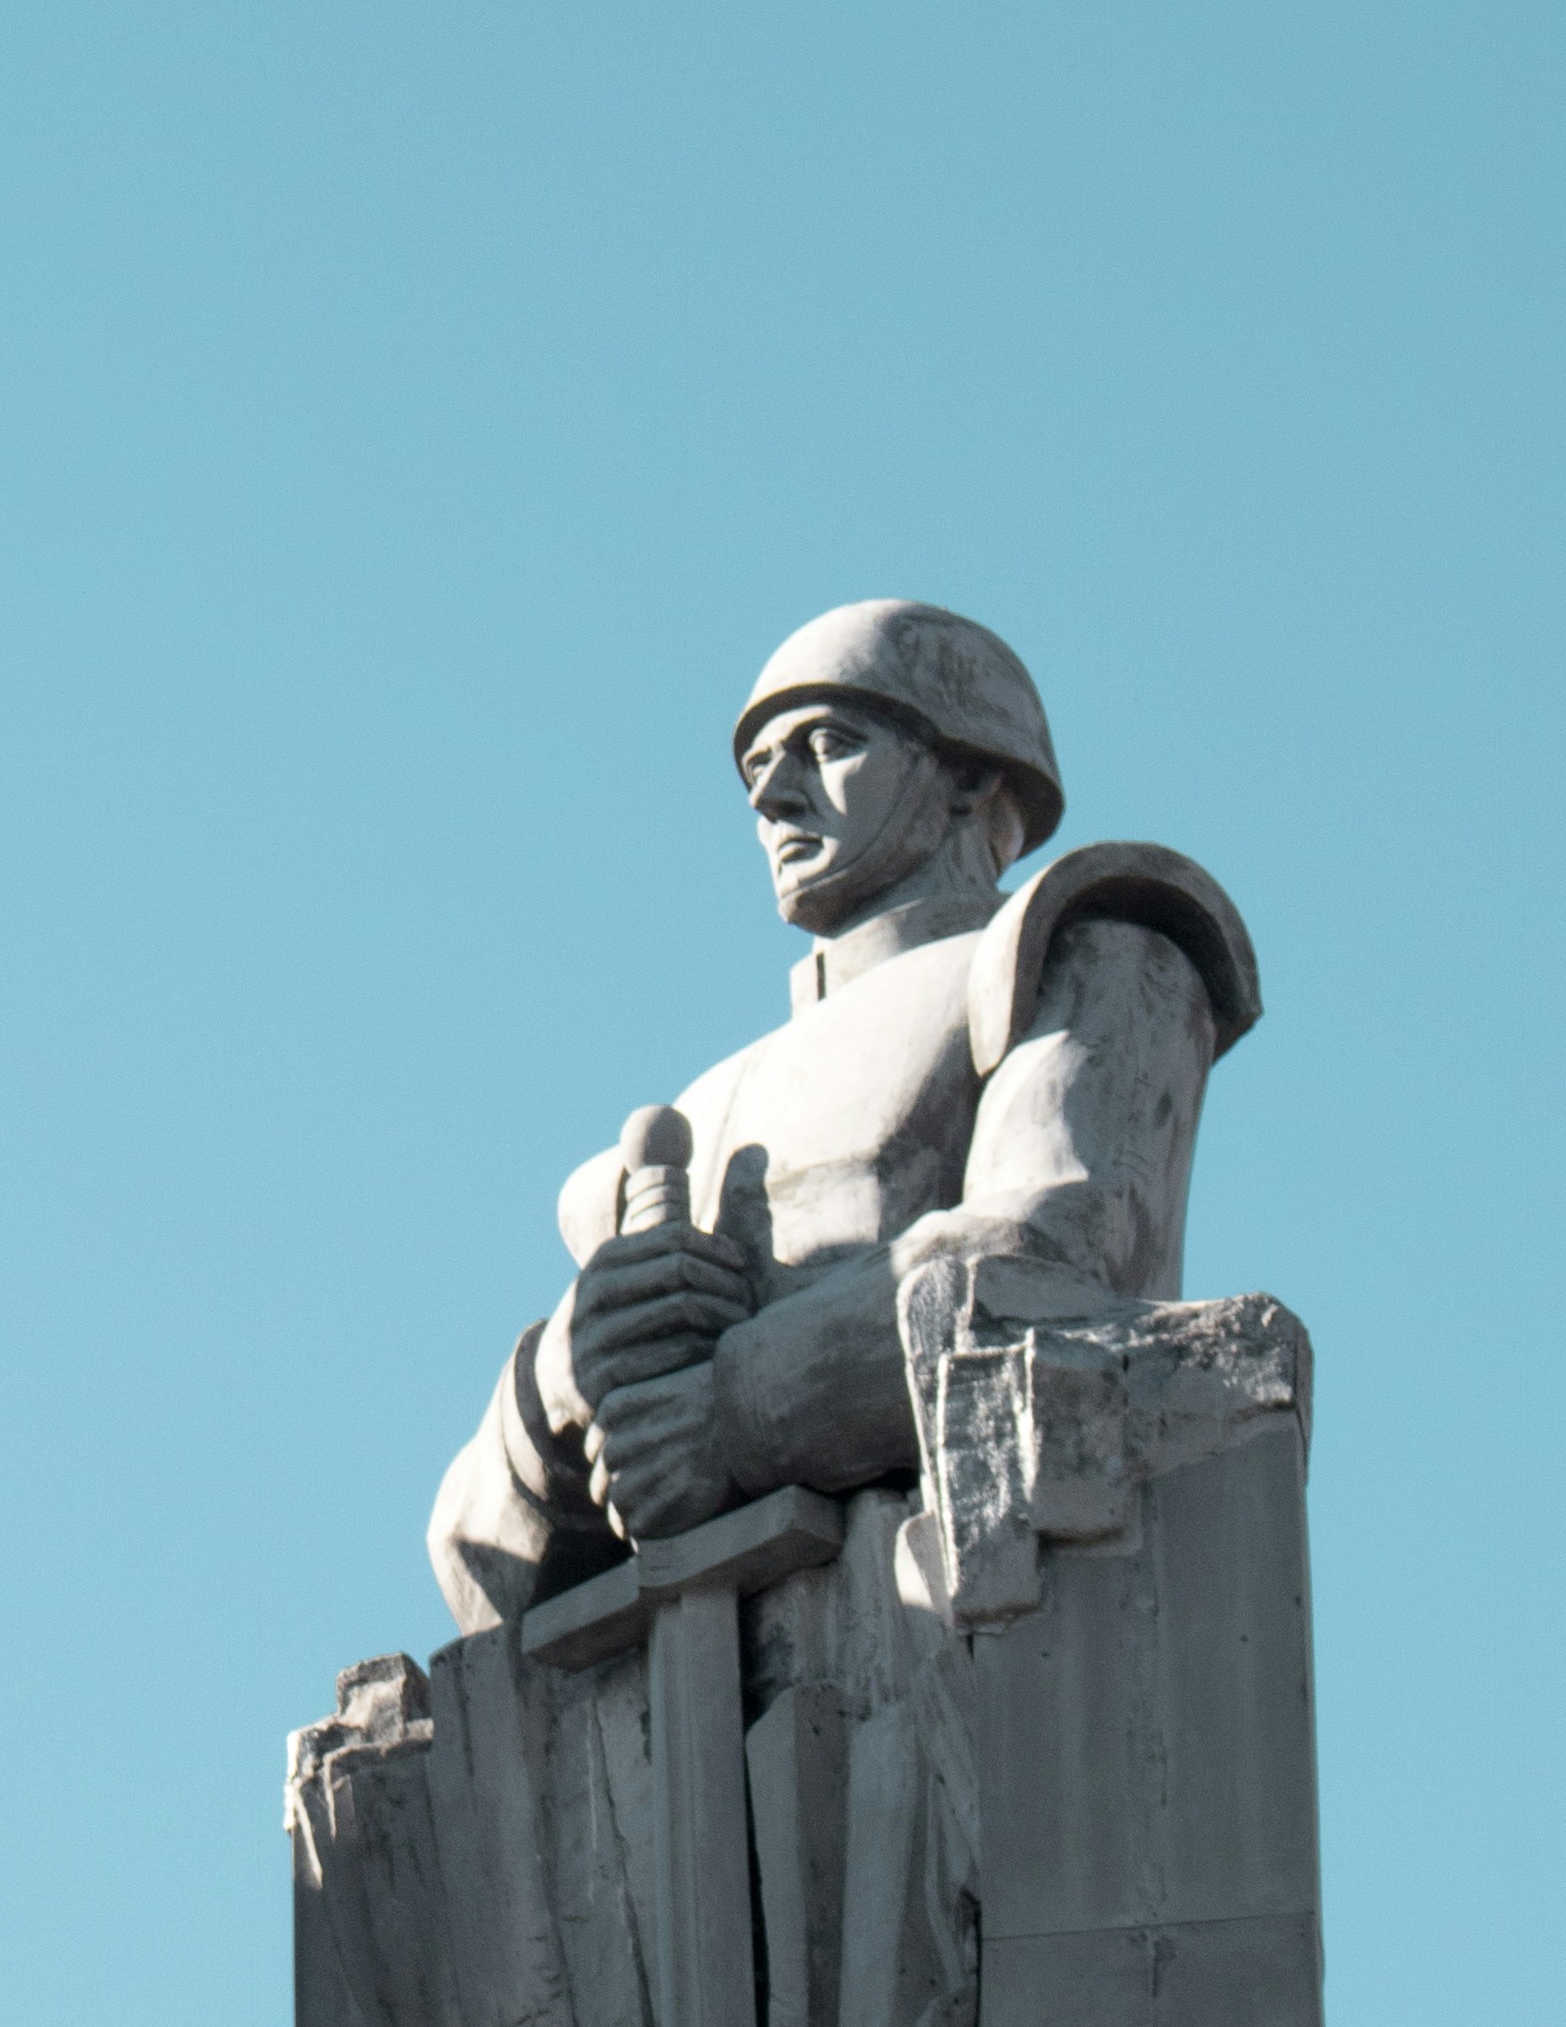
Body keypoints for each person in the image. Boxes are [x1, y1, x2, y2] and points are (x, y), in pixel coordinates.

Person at [429, 596, 1256, 1633]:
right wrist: (564, 1390)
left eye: (828, 744)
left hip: (958, 1630)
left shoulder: (1083, 948)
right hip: (687, 1716)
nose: (774, 794)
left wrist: (736, 1412)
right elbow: (478, 1581)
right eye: (757, 769)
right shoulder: (696, 1111)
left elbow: (1058, 1251)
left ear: (970, 773)